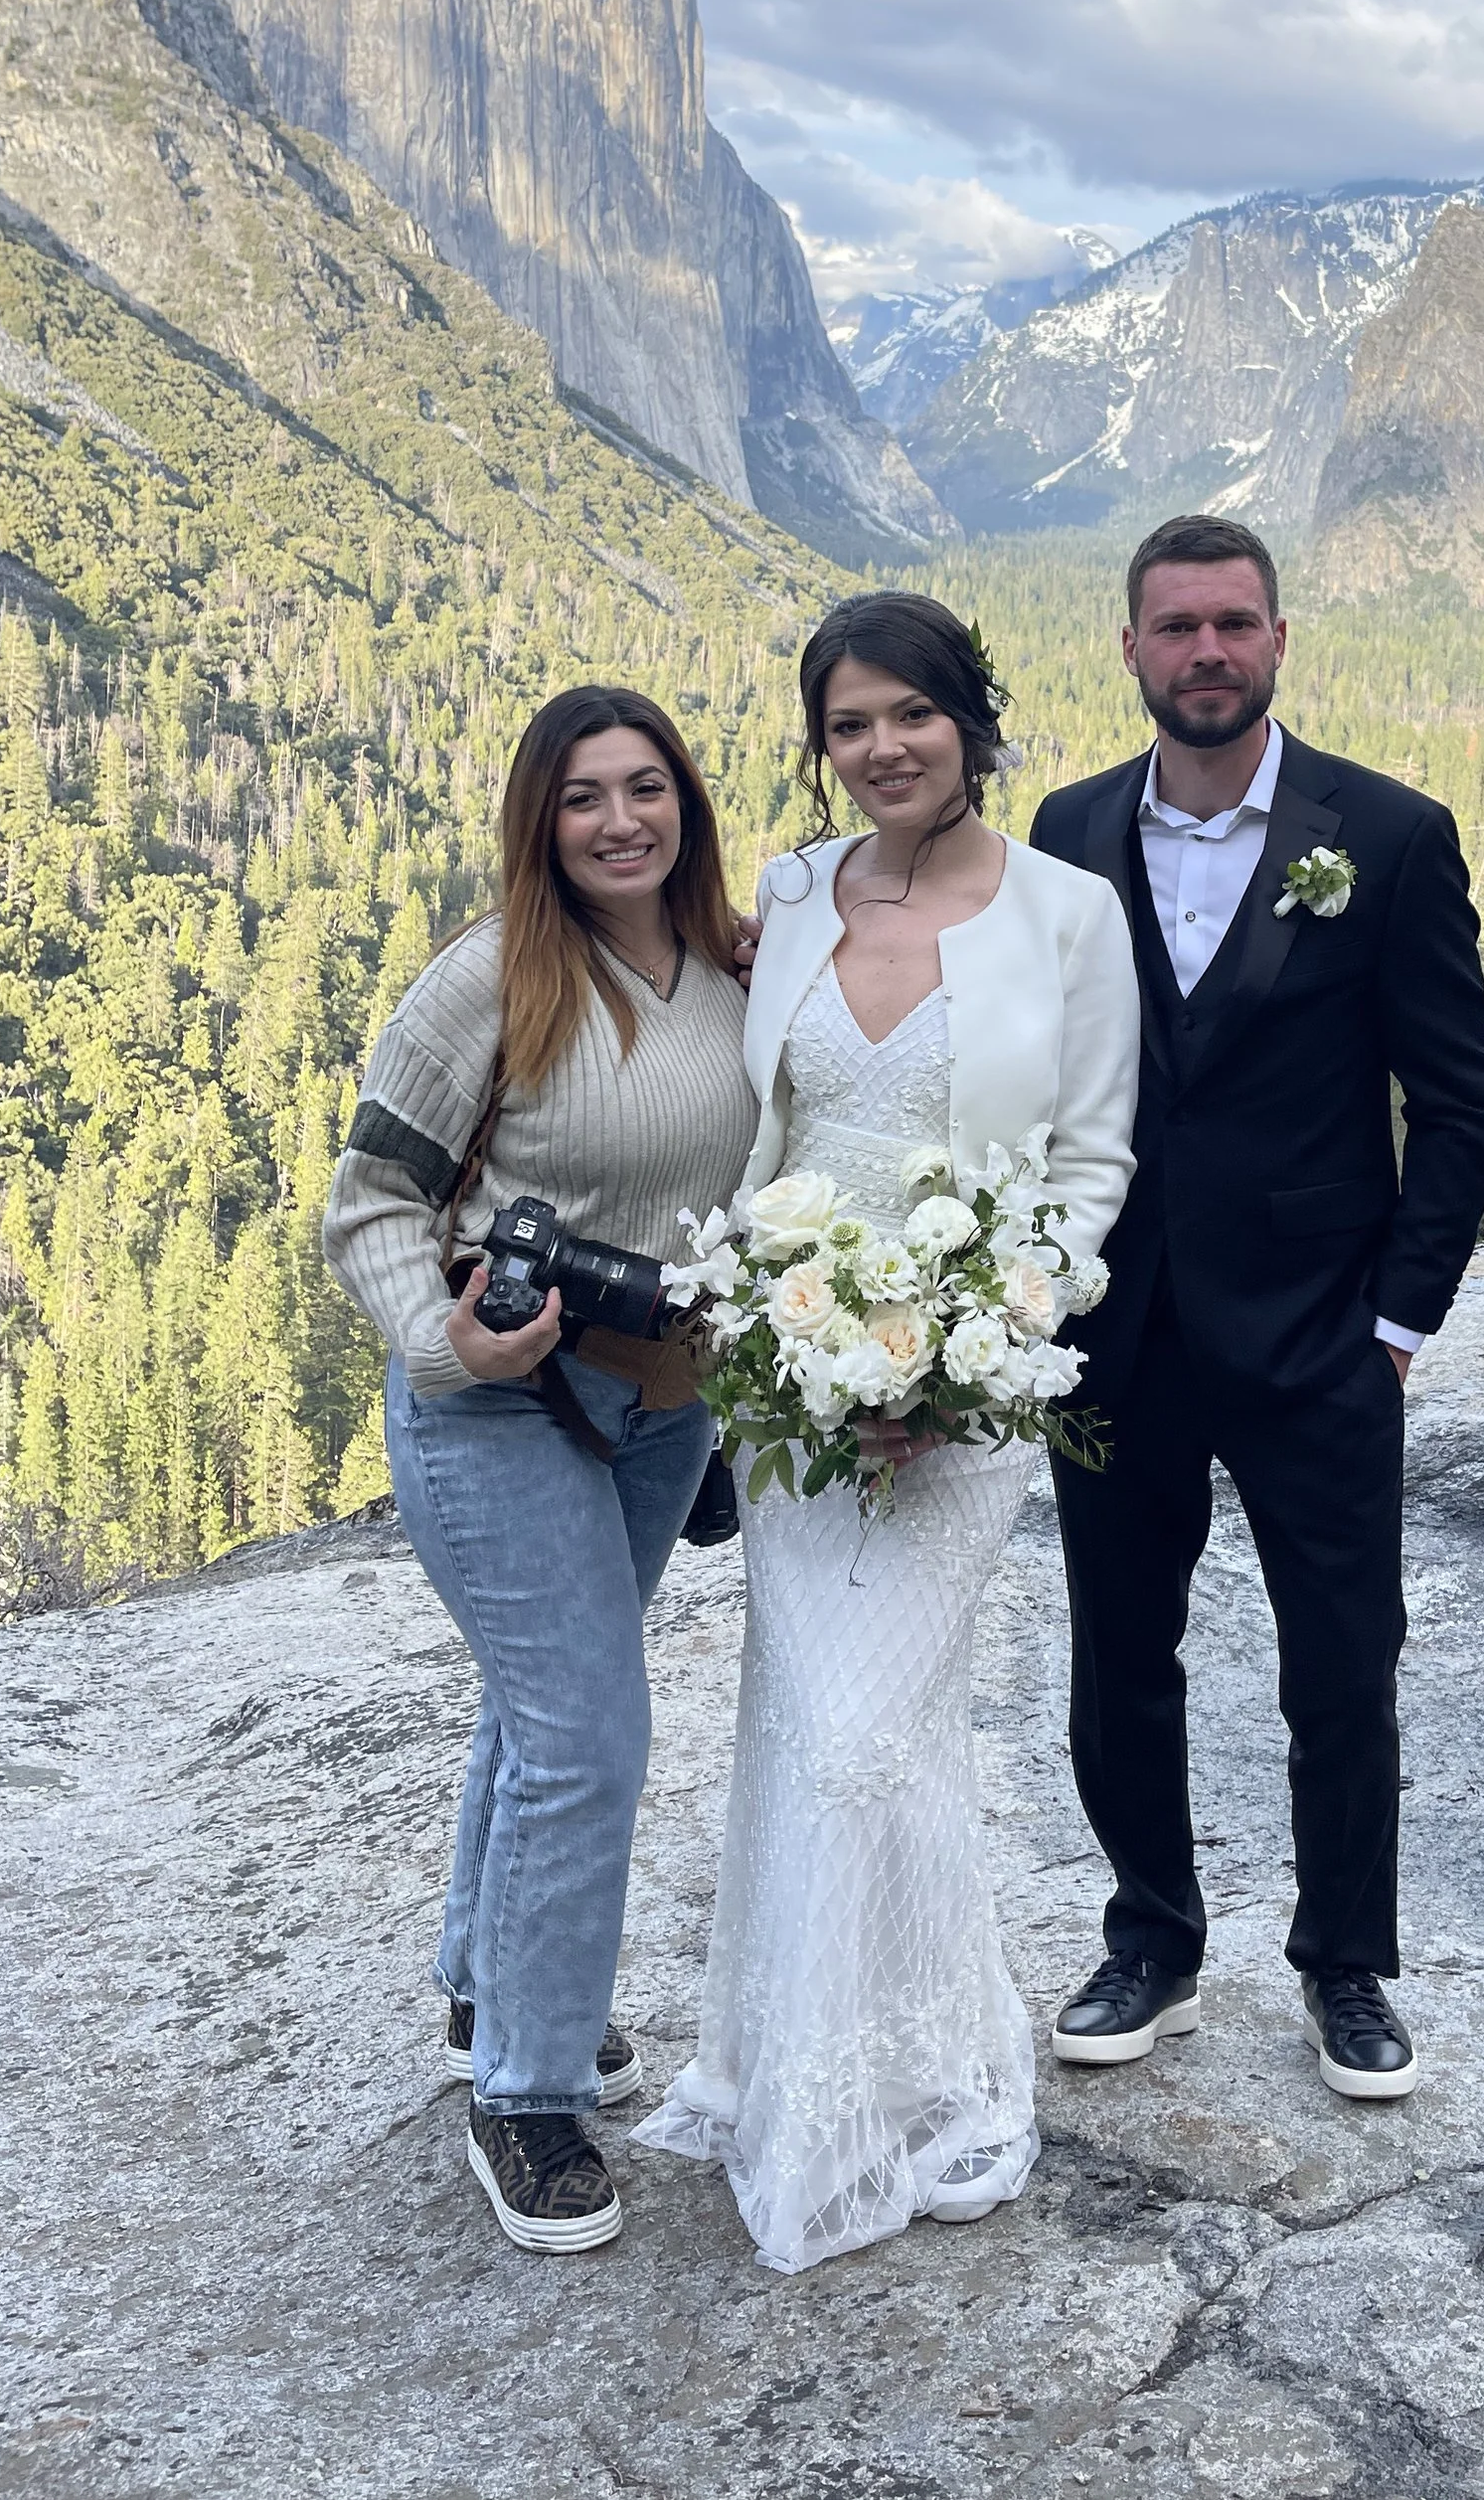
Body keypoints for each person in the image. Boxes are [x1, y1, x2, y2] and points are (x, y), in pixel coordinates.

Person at [634, 593, 1137, 2273]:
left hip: (965, 1392)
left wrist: (980, 1351)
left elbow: (1089, 1168)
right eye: (848, 725)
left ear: (972, 723)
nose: (883, 749)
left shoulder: (1068, 914)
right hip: (789, 1388)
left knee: (870, 1733)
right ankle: (795, 2062)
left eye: (911, 714)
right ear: (820, 745)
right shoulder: (787, 900)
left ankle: (914, 2084)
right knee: (809, 1724)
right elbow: (723, 1103)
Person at [1030, 514, 1484, 2101]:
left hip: (1318, 1341)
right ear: (1133, 650)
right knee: (1119, 1654)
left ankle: (1347, 1967)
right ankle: (1152, 1938)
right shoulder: (1064, 833)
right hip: (1114, 1333)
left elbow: (1457, 1104)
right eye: (1177, 627)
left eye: (1235, 623)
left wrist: (1396, 1321)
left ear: (1280, 640)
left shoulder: (1389, 832)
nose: (1208, 652)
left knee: (1343, 1665)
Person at [323, 687, 755, 2253]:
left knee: (542, 1709)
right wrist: (446, 1343)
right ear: (540, 820)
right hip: (499, 1402)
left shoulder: (731, 966)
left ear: (687, 806)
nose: (622, 821)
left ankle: (483, 1988)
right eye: (585, 799)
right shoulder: (486, 985)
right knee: (589, 1734)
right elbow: (367, 1204)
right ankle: (526, 2092)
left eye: (649, 789)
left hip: (662, 1404)